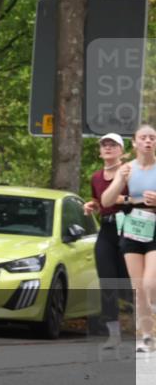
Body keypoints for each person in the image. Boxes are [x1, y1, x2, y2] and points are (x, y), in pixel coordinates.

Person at [101, 124, 156, 353]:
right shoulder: (127, 169)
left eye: (152, 138)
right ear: (134, 143)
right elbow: (106, 201)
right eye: (143, 138)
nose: (148, 141)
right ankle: (146, 337)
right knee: (138, 288)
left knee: (149, 284)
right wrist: (119, 182)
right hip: (133, 227)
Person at [83, 133, 131, 350]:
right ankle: (114, 335)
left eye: (113, 145)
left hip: (131, 228)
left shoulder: (131, 172)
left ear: (121, 150)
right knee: (107, 281)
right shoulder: (96, 177)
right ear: (100, 151)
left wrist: (125, 200)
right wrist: (91, 205)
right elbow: (98, 199)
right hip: (107, 229)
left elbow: (146, 198)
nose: (108, 148)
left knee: (131, 283)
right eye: (104, 145)